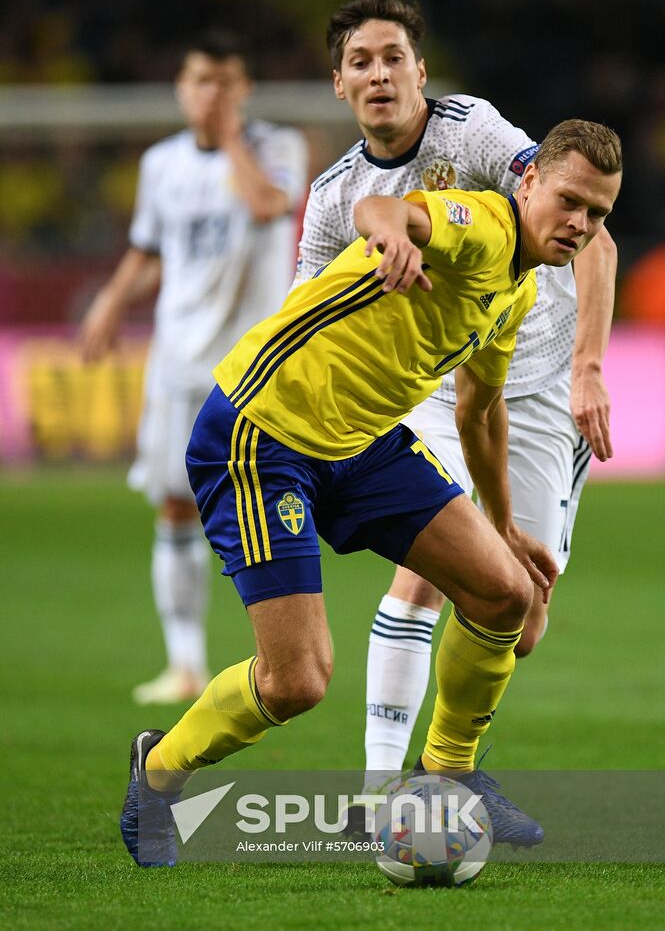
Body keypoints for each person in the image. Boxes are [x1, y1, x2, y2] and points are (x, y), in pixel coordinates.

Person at [119, 118, 622, 867]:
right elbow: (388, 210)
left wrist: (507, 527)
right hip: (263, 434)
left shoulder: (517, 290)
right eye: (569, 201)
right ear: (527, 183)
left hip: (360, 442)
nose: (579, 224)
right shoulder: (480, 224)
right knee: (297, 681)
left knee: (503, 594)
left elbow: (477, 410)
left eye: (598, 214)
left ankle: (447, 774)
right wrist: (391, 236)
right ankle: (159, 772)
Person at [292, 0, 618, 796]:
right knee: (424, 571)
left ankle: (448, 767)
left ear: (420, 70)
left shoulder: (470, 128)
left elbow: (589, 225)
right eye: (360, 62)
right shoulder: (333, 199)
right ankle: (384, 797)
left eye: (392, 57)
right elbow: (302, 322)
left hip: (537, 381)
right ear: (338, 84)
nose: (378, 74)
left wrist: (586, 367)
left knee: (518, 611)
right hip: (437, 390)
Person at [79, 31, 308, 705]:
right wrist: (109, 305)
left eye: (226, 82)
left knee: (270, 508)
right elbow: (149, 248)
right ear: (181, 89)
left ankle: (281, 656)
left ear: (244, 90)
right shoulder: (160, 165)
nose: (212, 94)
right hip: (178, 361)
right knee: (175, 507)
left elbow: (269, 207)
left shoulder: (278, 147)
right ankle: (183, 664)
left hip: (256, 365)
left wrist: (230, 138)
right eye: (201, 81)